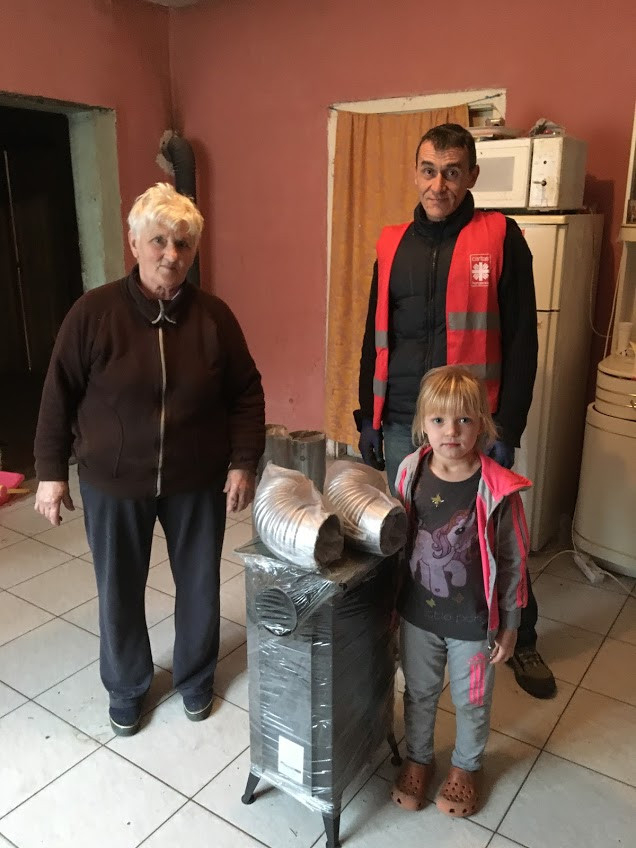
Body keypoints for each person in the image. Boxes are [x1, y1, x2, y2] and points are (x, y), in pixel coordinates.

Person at [34, 182, 265, 736]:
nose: (171, 254)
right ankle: (127, 685)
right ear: (134, 243)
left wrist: (243, 461)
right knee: (119, 589)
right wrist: (49, 473)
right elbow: (58, 393)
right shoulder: (93, 313)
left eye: (183, 244)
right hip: (113, 480)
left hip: (196, 477)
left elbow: (246, 392)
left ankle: (195, 676)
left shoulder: (214, 317)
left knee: (199, 583)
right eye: (159, 240)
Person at [355, 123, 555, 699]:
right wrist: (366, 415)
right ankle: (413, 629)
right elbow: (374, 333)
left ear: (471, 175)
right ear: (415, 173)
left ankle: (522, 633)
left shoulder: (500, 236)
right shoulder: (392, 244)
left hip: (472, 422)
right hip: (403, 417)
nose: (438, 185)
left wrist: (508, 423)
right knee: (410, 531)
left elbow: (522, 340)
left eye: (451, 172)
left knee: (490, 532)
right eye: (428, 170)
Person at [390, 365, 530, 816]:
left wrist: (510, 624)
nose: (451, 431)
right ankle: (419, 758)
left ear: (482, 424)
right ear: (423, 424)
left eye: (464, 420)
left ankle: (467, 766)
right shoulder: (410, 472)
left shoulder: (498, 489)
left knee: (472, 701)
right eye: (439, 420)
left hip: (473, 625)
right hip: (418, 617)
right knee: (419, 692)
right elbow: (396, 541)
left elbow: (513, 560)